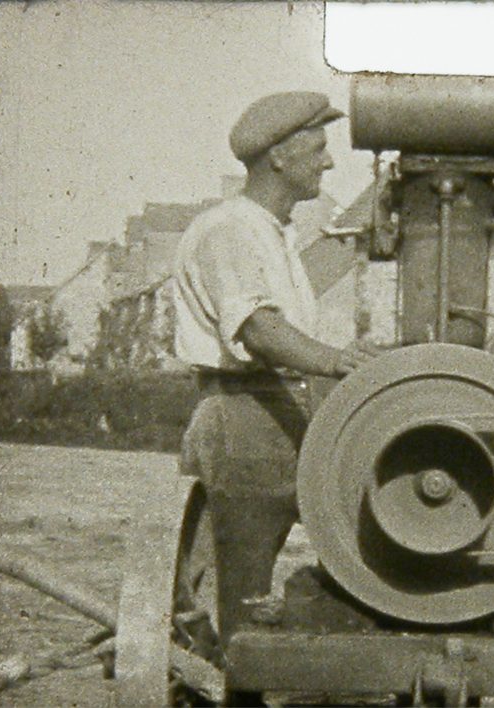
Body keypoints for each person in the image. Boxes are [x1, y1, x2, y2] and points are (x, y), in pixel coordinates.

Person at [173, 91, 380, 644]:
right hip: (245, 419)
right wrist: (338, 362)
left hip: (278, 410)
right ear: (279, 159)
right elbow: (260, 330)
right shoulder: (229, 231)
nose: (330, 162)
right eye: (318, 149)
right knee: (239, 594)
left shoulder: (272, 233)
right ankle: (232, 688)